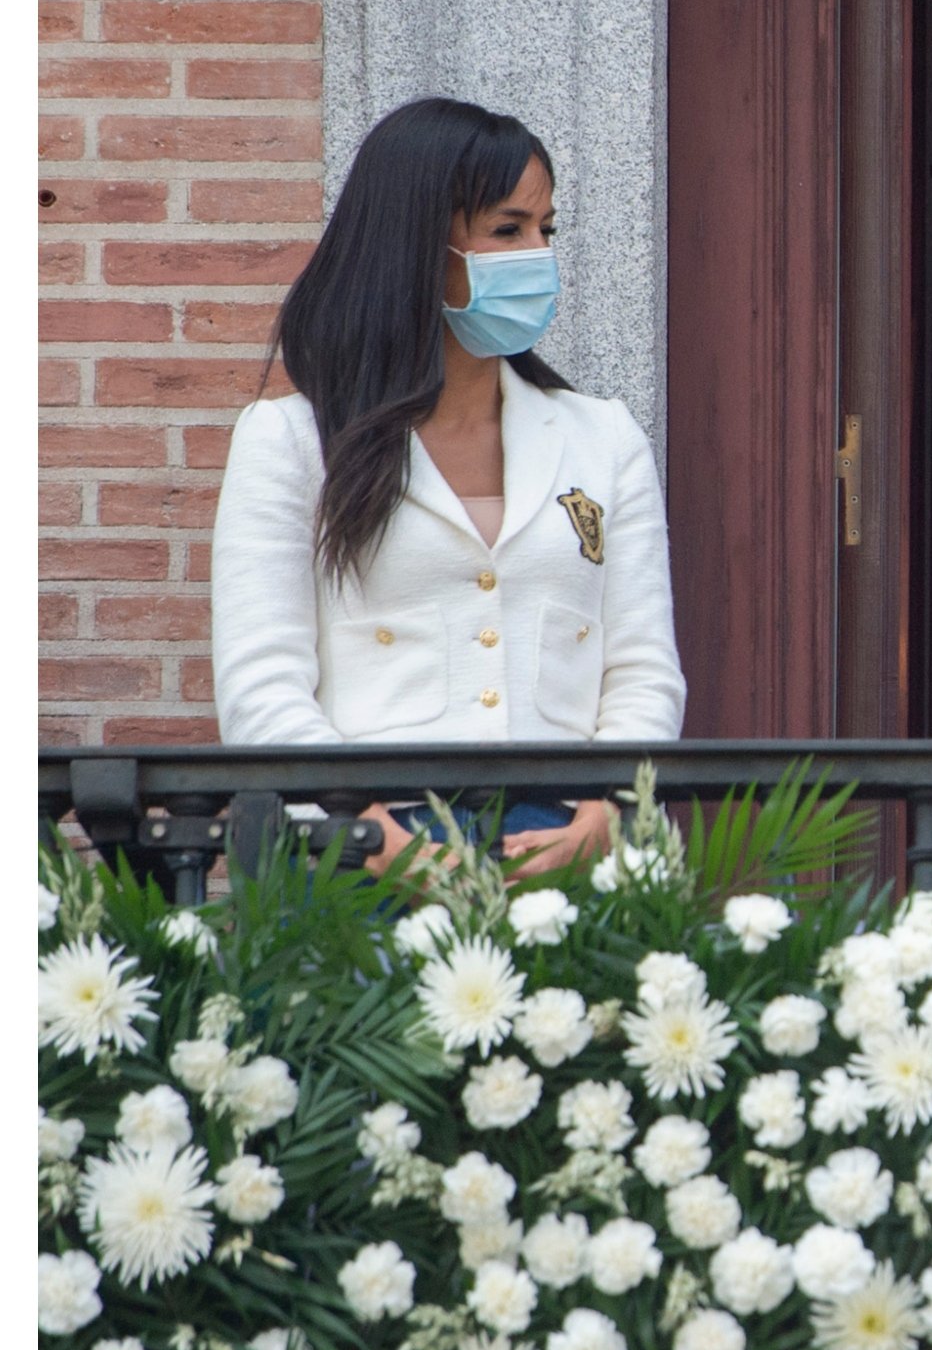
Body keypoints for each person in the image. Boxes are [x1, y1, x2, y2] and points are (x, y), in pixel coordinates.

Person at [211, 96, 683, 878]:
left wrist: (608, 814)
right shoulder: (292, 440)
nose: (538, 253)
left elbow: (642, 669)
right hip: (356, 851)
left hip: (567, 847)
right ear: (418, 245)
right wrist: (371, 839)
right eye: (508, 230)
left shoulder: (603, 438)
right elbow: (262, 686)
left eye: (546, 229)